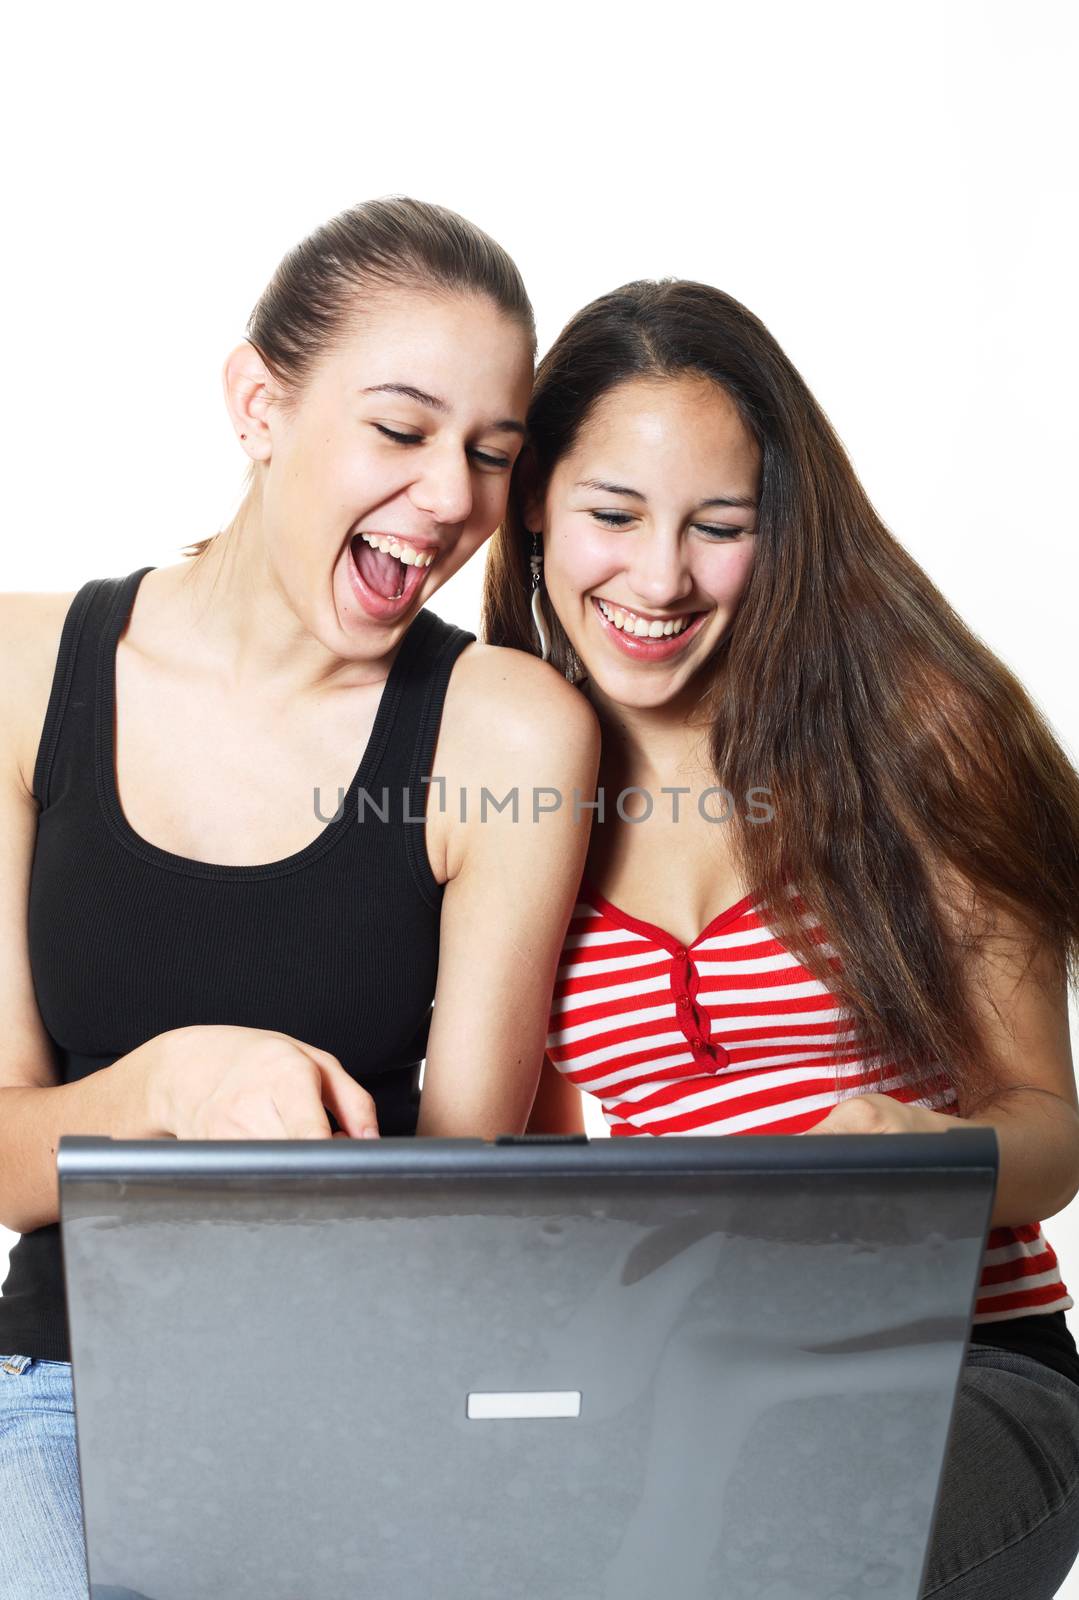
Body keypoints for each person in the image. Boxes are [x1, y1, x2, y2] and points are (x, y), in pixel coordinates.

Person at [0, 197, 599, 1599]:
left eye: (491, 455)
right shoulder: (23, 672)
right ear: (258, 404)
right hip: (70, 1393)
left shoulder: (508, 731)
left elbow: (465, 1181)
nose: (452, 497)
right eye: (399, 431)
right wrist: (178, 1083)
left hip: (373, 1401)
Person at [483, 278, 1079, 1598]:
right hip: (680, 1390)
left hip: (962, 1373)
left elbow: (1051, 1135)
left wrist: (928, 1157)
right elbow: (540, 1194)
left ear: (783, 529)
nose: (660, 578)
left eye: (720, 526)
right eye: (613, 515)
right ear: (534, 503)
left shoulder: (918, 739)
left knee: (764, 1546)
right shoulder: (515, 786)